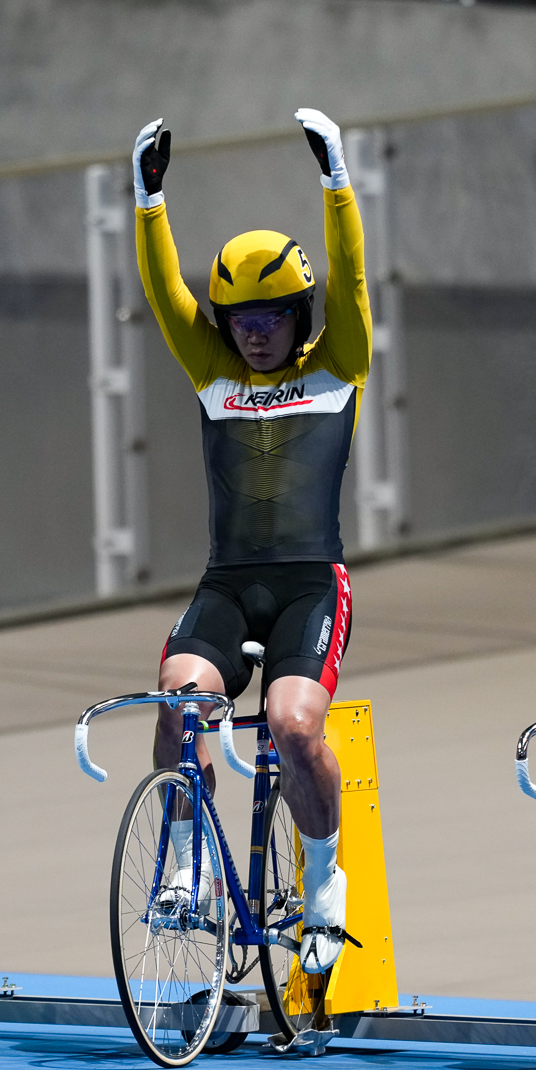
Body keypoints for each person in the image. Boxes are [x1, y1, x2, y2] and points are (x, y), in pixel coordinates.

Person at [130, 107, 371, 978]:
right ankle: (189, 855)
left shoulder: (338, 361)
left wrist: (336, 182)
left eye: (272, 314)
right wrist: (148, 199)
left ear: (299, 312)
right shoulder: (214, 373)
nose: (254, 329)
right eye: (239, 315)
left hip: (312, 582)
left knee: (291, 720)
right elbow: (166, 296)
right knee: (179, 695)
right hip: (228, 582)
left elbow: (350, 281)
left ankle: (323, 880)